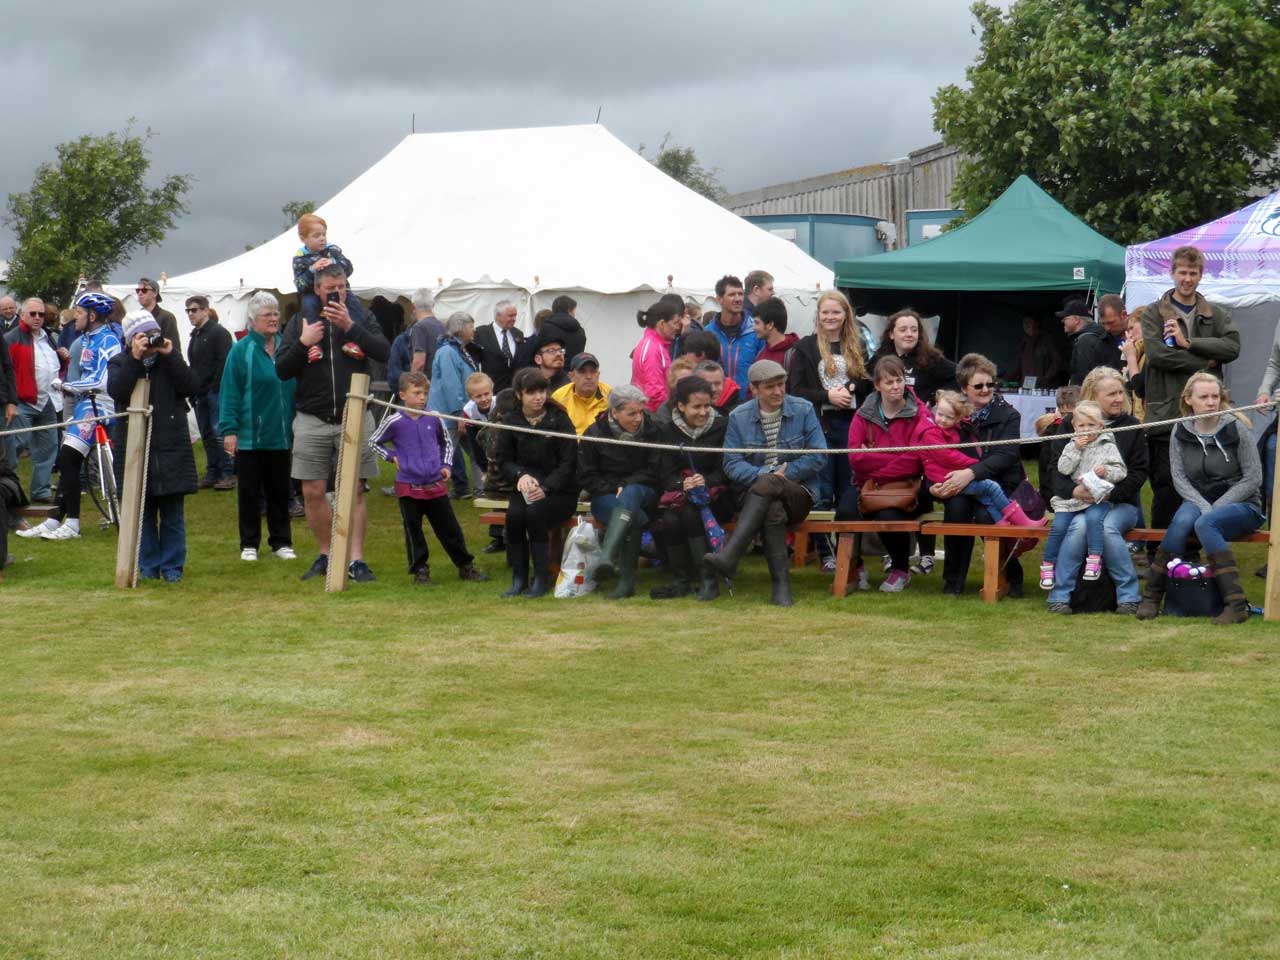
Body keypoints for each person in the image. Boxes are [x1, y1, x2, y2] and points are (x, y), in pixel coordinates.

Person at [275, 262, 390, 583]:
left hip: (354, 415)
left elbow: (384, 351)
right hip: (312, 417)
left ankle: (355, 560)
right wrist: (302, 342)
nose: (336, 293)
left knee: (354, 489)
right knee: (312, 490)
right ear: (316, 289)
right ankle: (327, 554)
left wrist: (352, 327)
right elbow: (282, 370)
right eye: (329, 288)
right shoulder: (300, 321)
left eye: (341, 287)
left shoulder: (361, 317)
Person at [1137, 371, 1262, 625]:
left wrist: (1214, 508)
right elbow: (1179, 478)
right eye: (1204, 397)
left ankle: (1236, 604)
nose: (1211, 402)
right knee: (1183, 521)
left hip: (1242, 503)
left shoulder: (1237, 428)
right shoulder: (1179, 430)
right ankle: (1151, 597)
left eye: (1215, 396)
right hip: (1197, 499)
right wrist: (1204, 506)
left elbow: (1252, 478)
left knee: (1206, 523)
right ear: (1189, 400)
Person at [1138, 245, 1241, 544]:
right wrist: (1205, 362)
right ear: (1172, 273)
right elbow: (1157, 357)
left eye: (1192, 273)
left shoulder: (1215, 313)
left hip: (1205, 417)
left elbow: (1233, 348)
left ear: (1200, 275)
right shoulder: (1154, 313)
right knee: (1166, 487)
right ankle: (1159, 552)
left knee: (1202, 485)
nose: (1187, 279)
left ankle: (1193, 550)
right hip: (1165, 414)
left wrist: (1188, 341)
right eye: (1182, 272)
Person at [704, 359, 827, 606]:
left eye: (781, 384)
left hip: (799, 492)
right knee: (772, 508)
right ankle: (781, 587)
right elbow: (731, 464)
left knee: (770, 485)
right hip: (755, 496)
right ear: (755, 389)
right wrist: (766, 473)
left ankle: (730, 556)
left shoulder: (803, 409)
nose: (778, 391)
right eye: (770, 387)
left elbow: (819, 455)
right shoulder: (738, 417)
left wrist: (782, 474)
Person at [1042, 367, 1148, 615]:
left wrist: (1109, 493)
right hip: (1079, 503)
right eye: (1111, 393)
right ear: (1093, 395)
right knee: (1078, 528)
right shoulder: (1071, 424)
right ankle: (1059, 596)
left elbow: (1138, 473)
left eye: (1121, 392)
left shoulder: (1131, 426)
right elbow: (1054, 469)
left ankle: (1129, 596)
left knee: (1107, 528)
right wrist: (1074, 491)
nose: (1119, 399)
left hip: (1120, 504)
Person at [17, 293, 122, 540]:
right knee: (68, 463)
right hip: (85, 406)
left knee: (67, 458)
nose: (75, 316)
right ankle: (55, 519)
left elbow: (102, 380)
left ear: (92, 316)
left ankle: (72, 523)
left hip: (100, 408)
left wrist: (67, 386)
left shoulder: (108, 340)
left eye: (80, 312)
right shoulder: (86, 340)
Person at [370, 371, 488, 586]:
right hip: (408, 485)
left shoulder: (434, 417)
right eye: (417, 393)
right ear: (403, 394)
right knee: (413, 530)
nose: (422, 397)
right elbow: (374, 442)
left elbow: (447, 443)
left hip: (435, 484)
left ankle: (465, 566)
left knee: (449, 528)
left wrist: (446, 465)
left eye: (425, 393)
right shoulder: (394, 420)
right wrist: (391, 456)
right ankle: (420, 570)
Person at [108, 310, 199, 581]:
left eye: (151, 333)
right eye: (142, 336)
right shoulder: (119, 361)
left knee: (173, 515)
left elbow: (191, 386)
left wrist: (171, 356)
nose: (148, 341)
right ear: (130, 339)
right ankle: (148, 567)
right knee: (143, 515)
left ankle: (172, 569)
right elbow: (118, 391)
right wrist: (135, 360)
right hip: (136, 448)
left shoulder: (169, 360)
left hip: (171, 448)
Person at [930, 353, 1029, 597]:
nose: (986, 389)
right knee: (956, 509)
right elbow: (935, 454)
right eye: (978, 385)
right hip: (962, 484)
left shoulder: (1009, 415)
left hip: (1001, 483)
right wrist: (933, 486)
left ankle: (1007, 575)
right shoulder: (952, 417)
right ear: (964, 388)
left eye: (990, 384)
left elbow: (1006, 455)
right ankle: (953, 581)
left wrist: (971, 473)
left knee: (987, 515)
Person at [788, 290, 871, 569]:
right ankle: (826, 553)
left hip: (852, 426)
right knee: (821, 491)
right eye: (825, 312)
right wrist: (828, 396)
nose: (830, 317)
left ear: (846, 314)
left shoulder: (858, 346)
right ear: (818, 315)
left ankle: (850, 552)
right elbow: (796, 390)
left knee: (849, 489)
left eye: (836, 312)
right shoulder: (805, 348)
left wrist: (849, 388)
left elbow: (869, 382)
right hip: (818, 427)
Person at [841, 355, 932, 592]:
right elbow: (855, 458)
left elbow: (915, 460)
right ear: (877, 385)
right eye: (889, 382)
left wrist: (874, 459)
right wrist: (892, 459)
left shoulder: (919, 413)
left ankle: (900, 570)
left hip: (906, 487)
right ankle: (855, 567)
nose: (895, 386)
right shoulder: (862, 414)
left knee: (889, 516)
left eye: (899, 380)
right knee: (844, 512)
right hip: (865, 484)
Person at [219, 291, 297, 563]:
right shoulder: (241, 351)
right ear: (253, 320)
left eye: (276, 314)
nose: (274, 319)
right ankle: (249, 543)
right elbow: (230, 392)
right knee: (250, 492)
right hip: (250, 435)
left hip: (281, 434)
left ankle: (281, 541)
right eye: (267, 315)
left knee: (279, 490)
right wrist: (229, 430)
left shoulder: (286, 346)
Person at [494, 367, 578, 598]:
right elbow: (503, 460)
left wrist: (547, 487)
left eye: (542, 391)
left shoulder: (559, 418)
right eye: (531, 392)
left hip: (560, 491)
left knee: (534, 514)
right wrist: (520, 475)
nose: (539, 397)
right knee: (514, 516)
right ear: (519, 394)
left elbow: (569, 463)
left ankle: (541, 578)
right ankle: (519, 578)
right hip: (525, 488)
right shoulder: (510, 420)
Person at [650, 375, 731, 601]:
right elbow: (663, 471)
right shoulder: (666, 431)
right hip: (679, 497)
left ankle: (707, 579)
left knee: (688, 515)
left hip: (717, 497)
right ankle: (681, 580)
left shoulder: (722, 426)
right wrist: (681, 483)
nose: (704, 412)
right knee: (671, 519)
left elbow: (727, 469)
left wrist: (706, 481)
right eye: (697, 406)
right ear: (681, 406)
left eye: (707, 405)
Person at [578, 385, 661, 599]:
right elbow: (587, 475)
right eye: (631, 413)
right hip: (605, 496)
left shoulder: (653, 430)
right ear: (614, 412)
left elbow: (656, 470)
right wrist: (614, 488)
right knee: (632, 516)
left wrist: (626, 483)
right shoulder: (594, 433)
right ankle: (626, 583)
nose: (638, 418)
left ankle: (607, 556)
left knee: (631, 492)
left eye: (640, 412)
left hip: (645, 492)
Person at [1037, 399, 1126, 590]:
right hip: (1070, 499)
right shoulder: (1071, 445)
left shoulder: (1108, 445)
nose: (1086, 429)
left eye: (1091, 425)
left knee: (1095, 519)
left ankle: (1094, 557)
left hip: (1096, 497)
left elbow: (1121, 471)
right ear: (1074, 427)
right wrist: (1076, 450)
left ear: (1100, 425)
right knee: (1059, 526)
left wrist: (1107, 472)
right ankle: (1048, 564)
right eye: (1082, 425)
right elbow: (1063, 468)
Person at [923, 390, 1044, 529]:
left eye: (949, 417)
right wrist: (974, 465)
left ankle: (1001, 523)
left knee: (986, 499)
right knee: (991, 487)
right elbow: (947, 456)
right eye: (940, 414)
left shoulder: (954, 429)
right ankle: (1023, 522)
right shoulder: (932, 433)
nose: (943, 420)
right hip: (946, 479)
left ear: (957, 419)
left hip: (949, 476)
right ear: (935, 408)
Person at [4, 298, 61, 501]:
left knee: (48, 447)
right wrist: (9, 400)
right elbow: (6, 371)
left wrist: (63, 359)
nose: (37, 318)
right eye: (33, 314)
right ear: (23, 315)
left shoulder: (49, 338)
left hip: (47, 400)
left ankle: (41, 492)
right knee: (14, 447)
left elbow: (51, 367)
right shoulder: (11, 338)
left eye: (41, 314)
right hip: (21, 401)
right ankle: (10, 493)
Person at [428, 311, 483, 499]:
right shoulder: (448, 352)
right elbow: (451, 385)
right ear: (461, 329)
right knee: (443, 453)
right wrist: (459, 414)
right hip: (449, 415)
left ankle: (482, 488)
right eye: (470, 326)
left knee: (478, 451)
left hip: (463, 413)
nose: (473, 330)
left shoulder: (458, 350)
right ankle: (431, 490)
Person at [184, 295, 235, 490]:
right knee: (206, 433)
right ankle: (213, 471)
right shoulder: (195, 335)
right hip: (200, 392)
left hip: (215, 391)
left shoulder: (218, 333)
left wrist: (214, 386)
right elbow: (194, 364)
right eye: (188, 310)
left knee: (220, 432)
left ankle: (228, 473)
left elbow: (224, 362)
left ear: (206, 310)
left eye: (194, 310)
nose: (190, 314)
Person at [870, 309, 957, 410]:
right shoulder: (880, 358)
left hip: (918, 421)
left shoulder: (931, 359)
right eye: (903, 330)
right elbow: (864, 380)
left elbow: (959, 374)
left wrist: (935, 399)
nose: (909, 334)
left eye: (914, 330)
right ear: (891, 334)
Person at [704, 275, 763, 393]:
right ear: (719, 299)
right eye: (732, 294)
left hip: (748, 402)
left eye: (740, 294)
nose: (738, 299)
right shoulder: (708, 333)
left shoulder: (756, 331)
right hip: (717, 401)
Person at [292, 213, 355, 317]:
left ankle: (355, 327)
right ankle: (315, 329)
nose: (322, 238)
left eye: (324, 234)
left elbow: (349, 268)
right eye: (316, 235)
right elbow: (299, 285)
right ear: (303, 238)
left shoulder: (333, 250)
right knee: (308, 305)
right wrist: (311, 270)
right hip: (314, 295)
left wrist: (335, 262)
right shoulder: (300, 259)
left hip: (341, 291)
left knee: (354, 303)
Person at [631, 299, 680, 411]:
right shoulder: (653, 348)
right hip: (655, 414)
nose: (677, 328)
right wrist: (670, 413)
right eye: (675, 323)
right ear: (662, 324)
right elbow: (655, 391)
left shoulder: (655, 344)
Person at [1036, 385, 1080, 506]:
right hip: (1057, 494)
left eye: (1070, 415)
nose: (1066, 419)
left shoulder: (1088, 430)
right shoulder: (1053, 432)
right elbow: (1047, 469)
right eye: (1063, 414)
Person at [551, 353, 611, 434]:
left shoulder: (610, 395)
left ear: (598, 374)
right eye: (582, 372)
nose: (589, 376)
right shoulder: (559, 397)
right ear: (571, 376)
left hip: (599, 445)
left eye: (593, 371)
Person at [474, 300, 524, 392]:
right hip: (491, 390)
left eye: (515, 315)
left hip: (514, 389)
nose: (514, 319)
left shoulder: (518, 334)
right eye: (510, 316)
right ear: (498, 315)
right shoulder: (481, 333)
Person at [1010, 315, 1065, 388]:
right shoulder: (1024, 342)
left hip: (1045, 386)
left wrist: (1046, 378)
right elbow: (1017, 366)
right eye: (1024, 323)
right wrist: (1004, 380)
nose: (1026, 325)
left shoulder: (1048, 339)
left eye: (1029, 322)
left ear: (1037, 323)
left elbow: (1057, 361)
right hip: (1026, 386)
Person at [753, 297, 799, 373]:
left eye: (757, 323)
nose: (753, 328)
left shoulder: (795, 355)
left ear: (770, 325)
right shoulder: (760, 355)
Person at [538, 294, 587, 364]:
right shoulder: (579, 330)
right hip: (573, 370)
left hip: (552, 369)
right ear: (569, 310)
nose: (574, 314)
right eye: (574, 311)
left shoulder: (546, 327)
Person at [408, 288, 446, 375]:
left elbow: (419, 362)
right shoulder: (442, 326)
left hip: (428, 382)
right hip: (441, 378)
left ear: (413, 306)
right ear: (433, 304)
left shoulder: (419, 327)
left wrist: (412, 383)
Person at [134, 278, 180, 346]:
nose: (140, 293)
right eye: (138, 290)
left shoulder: (167, 317)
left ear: (155, 293)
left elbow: (174, 348)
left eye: (144, 290)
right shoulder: (135, 318)